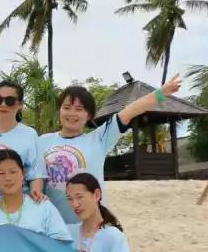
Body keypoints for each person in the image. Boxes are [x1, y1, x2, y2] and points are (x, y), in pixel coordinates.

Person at [40, 75, 183, 224]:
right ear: (60, 110)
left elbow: (131, 110)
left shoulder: (100, 138)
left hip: (91, 226)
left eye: (79, 109)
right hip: (52, 226)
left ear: (88, 115)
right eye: (66, 108)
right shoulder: (42, 141)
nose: (71, 113)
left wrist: (161, 93)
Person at [0, 80, 46, 222]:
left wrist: (35, 194)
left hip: (14, 204)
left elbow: (35, 174)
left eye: (10, 101)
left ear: (20, 105)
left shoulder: (29, 135)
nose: (3, 104)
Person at [0, 149, 69, 241]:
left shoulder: (44, 207)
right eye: (1, 173)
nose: (8, 178)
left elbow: (62, 243)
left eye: (13, 172)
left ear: (23, 174)